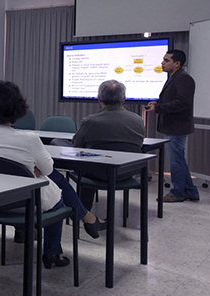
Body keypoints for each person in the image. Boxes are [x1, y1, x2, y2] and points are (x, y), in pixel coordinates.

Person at [0, 80, 106, 268]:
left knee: (44, 182)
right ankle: (52, 252)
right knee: (55, 192)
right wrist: (33, 167)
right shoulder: (29, 139)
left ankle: (84, 218)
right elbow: (48, 170)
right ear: (17, 107)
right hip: (25, 204)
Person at [73, 80, 145, 210]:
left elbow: (77, 147)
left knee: (85, 164)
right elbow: (139, 144)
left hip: (96, 172)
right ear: (124, 99)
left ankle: (82, 212)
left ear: (99, 99)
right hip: (127, 172)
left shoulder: (90, 121)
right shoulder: (138, 120)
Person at [145, 49, 199, 203]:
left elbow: (183, 103)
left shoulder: (183, 79)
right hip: (174, 126)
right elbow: (174, 99)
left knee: (176, 160)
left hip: (177, 126)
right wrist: (158, 103)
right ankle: (190, 191)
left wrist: (159, 108)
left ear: (177, 63)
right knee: (178, 159)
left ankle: (177, 193)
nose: (162, 63)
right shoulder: (175, 77)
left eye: (166, 60)